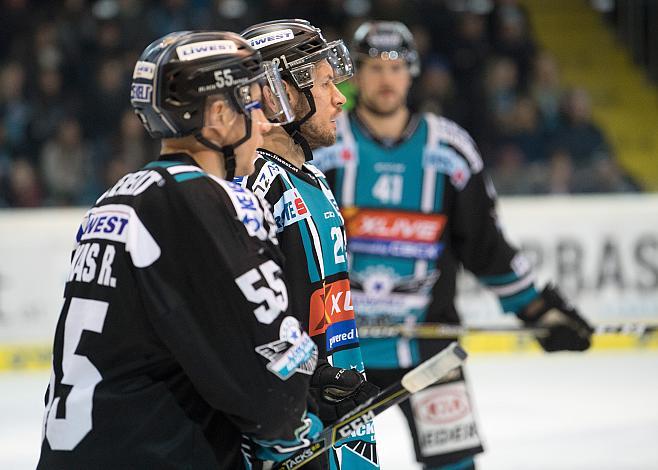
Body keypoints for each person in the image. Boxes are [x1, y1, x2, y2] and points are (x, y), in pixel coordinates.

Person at [314, 21, 593, 470]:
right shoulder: (322, 148)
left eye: (397, 67)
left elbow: (485, 245)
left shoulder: (450, 150)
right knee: (334, 466)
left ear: (412, 73)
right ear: (355, 74)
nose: (387, 78)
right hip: (340, 351)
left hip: (430, 347)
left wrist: (538, 309)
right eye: (374, 67)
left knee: (454, 466)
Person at [37, 31, 321, 469]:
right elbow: (273, 391)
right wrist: (296, 418)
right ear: (219, 115)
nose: (265, 123)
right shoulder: (205, 201)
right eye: (253, 104)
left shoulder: (118, 198)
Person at [238, 20, 379, 470]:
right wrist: (311, 378)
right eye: (323, 84)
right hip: (295, 431)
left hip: (338, 410)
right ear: (281, 94)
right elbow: (238, 316)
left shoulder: (310, 177)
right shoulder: (254, 187)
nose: (341, 97)